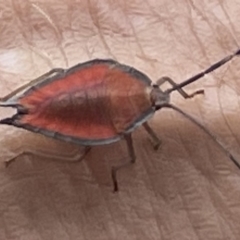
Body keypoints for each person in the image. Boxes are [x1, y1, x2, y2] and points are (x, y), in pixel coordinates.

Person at [0, 1, 239, 239]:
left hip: (82, 88)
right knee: (79, 155)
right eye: (156, 98)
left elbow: (132, 73)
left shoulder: (135, 82)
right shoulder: (136, 119)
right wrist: (122, 166)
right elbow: (131, 158)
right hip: (91, 113)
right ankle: (19, 130)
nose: (160, 97)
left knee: (56, 76)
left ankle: (11, 103)